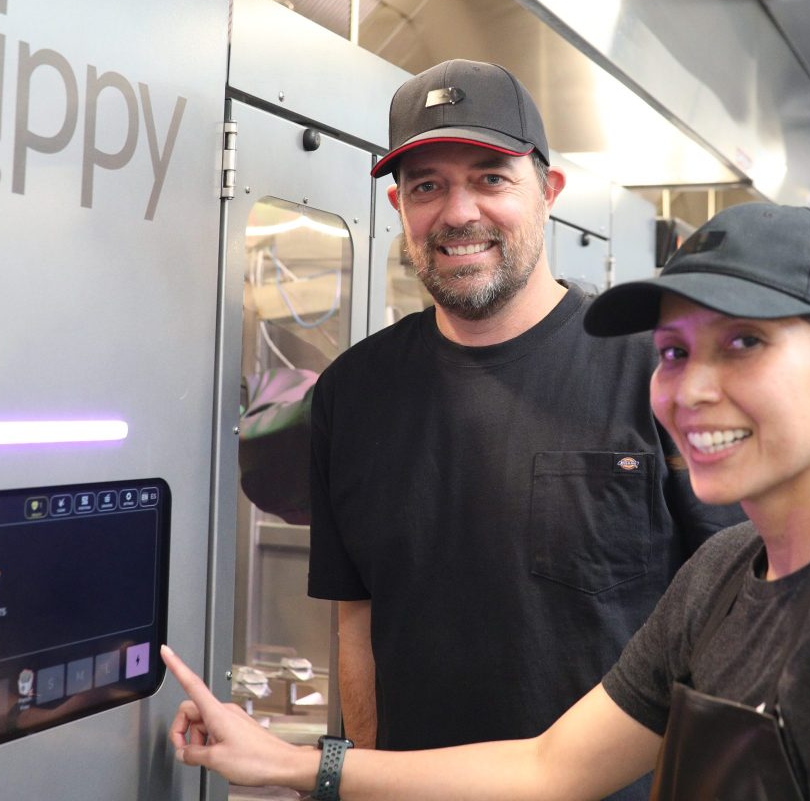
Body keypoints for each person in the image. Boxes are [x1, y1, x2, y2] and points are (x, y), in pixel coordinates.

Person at [162, 201, 810, 801]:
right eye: (675, 352)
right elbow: (550, 768)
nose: (692, 390)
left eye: (745, 344)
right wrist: (294, 763)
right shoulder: (725, 575)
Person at [302, 60, 740, 797]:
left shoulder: (655, 377)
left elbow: (732, 625)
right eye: (427, 186)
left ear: (550, 191)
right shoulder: (352, 392)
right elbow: (358, 623)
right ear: (398, 204)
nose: (458, 212)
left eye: (491, 178)